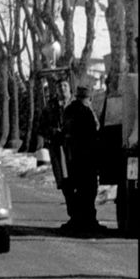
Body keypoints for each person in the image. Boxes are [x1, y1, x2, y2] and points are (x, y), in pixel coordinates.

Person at [60, 80, 101, 234]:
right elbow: (93, 133)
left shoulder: (70, 110)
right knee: (88, 189)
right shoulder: (85, 111)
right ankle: (86, 221)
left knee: (77, 189)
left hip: (73, 157)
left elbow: (65, 131)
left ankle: (79, 220)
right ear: (88, 98)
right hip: (85, 158)